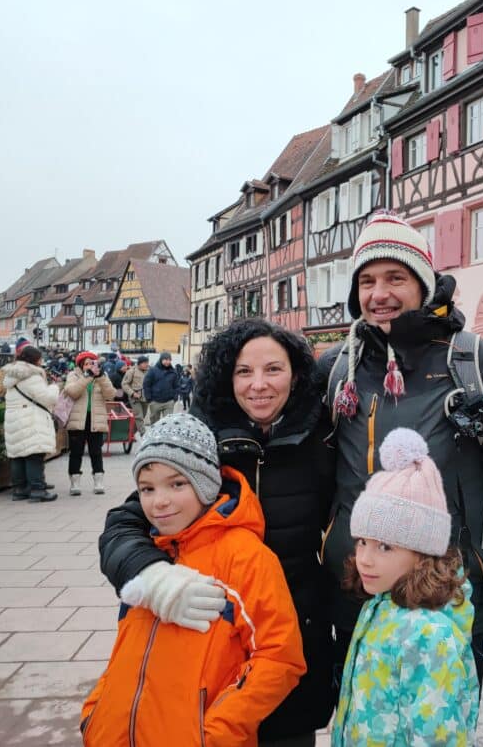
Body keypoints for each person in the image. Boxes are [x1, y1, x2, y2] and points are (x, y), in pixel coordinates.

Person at [318, 211, 483, 686]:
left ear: (424, 284)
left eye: (395, 278)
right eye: (366, 280)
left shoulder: (480, 363)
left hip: (450, 609)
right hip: (354, 603)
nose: (378, 293)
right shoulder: (336, 369)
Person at [97, 319, 338, 746]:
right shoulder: (201, 438)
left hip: (290, 636)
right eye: (244, 371)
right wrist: (154, 579)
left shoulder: (324, 437)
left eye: (273, 370)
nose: (258, 385)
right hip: (208, 647)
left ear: (296, 374)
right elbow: (128, 521)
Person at [80, 413, 306, 746]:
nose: (159, 501)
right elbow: (127, 646)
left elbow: (278, 657)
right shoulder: (150, 555)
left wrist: (214, 732)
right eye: (147, 488)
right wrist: (95, 712)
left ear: (205, 483)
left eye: (177, 484)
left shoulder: (245, 557)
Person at [331, 427, 479, 746]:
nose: (365, 560)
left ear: (422, 555)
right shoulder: (381, 605)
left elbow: (439, 736)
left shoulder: (431, 636)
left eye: (385, 547)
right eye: (363, 543)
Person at [0, 344, 59, 503]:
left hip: (13, 419)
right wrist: (54, 387)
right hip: (31, 418)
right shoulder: (31, 376)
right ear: (34, 360)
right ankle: (38, 490)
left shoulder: (11, 377)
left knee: (18, 455)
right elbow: (47, 398)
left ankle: (20, 489)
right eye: (40, 358)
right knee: (34, 454)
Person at [63, 351, 116, 496]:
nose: (90, 366)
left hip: (96, 419)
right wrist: (87, 377)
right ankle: (75, 483)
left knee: (96, 452)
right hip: (77, 419)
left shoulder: (101, 377)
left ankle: (98, 482)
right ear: (80, 365)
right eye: (86, 364)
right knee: (76, 452)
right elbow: (72, 392)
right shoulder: (73, 376)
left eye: (92, 363)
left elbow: (110, 395)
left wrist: (101, 378)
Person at [143, 351, 179, 425]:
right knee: (155, 424)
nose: (167, 362)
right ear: (161, 359)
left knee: (168, 423)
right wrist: (149, 399)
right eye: (165, 359)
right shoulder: (153, 370)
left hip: (169, 402)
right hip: (155, 402)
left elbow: (176, 386)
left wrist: (175, 398)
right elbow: (146, 385)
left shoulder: (173, 372)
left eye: (169, 360)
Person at [121, 355, 150, 436]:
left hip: (145, 397)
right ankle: (143, 434)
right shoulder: (131, 371)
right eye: (145, 363)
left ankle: (130, 432)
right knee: (139, 416)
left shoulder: (149, 371)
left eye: (147, 362)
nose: (147, 364)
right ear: (139, 363)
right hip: (135, 398)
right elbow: (124, 384)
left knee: (142, 416)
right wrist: (132, 393)